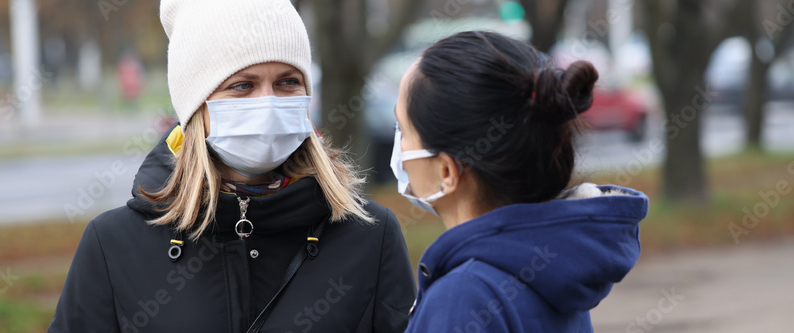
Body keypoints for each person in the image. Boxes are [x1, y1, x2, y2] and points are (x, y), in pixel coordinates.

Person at [48, 1, 415, 332]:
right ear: (196, 106)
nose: (269, 102)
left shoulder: (370, 235)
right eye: (242, 86)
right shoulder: (114, 245)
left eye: (288, 81)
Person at [392, 31, 648, 332]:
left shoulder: (462, 299)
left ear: (446, 172)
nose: (400, 147)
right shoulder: (550, 267)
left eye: (404, 129)